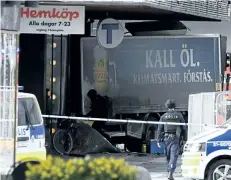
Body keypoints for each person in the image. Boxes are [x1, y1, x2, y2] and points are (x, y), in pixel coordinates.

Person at [157, 99, 186, 180]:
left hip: (166, 139)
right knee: (174, 156)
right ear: (174, 106)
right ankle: (170, 173)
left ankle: (169, 171)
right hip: (175, 139)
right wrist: (184, 140)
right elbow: (184, 128)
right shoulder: (179, 115)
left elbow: (159, 129)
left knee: (168, 157)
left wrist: (158, 140)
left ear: (167, 106)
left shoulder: (163, 116)